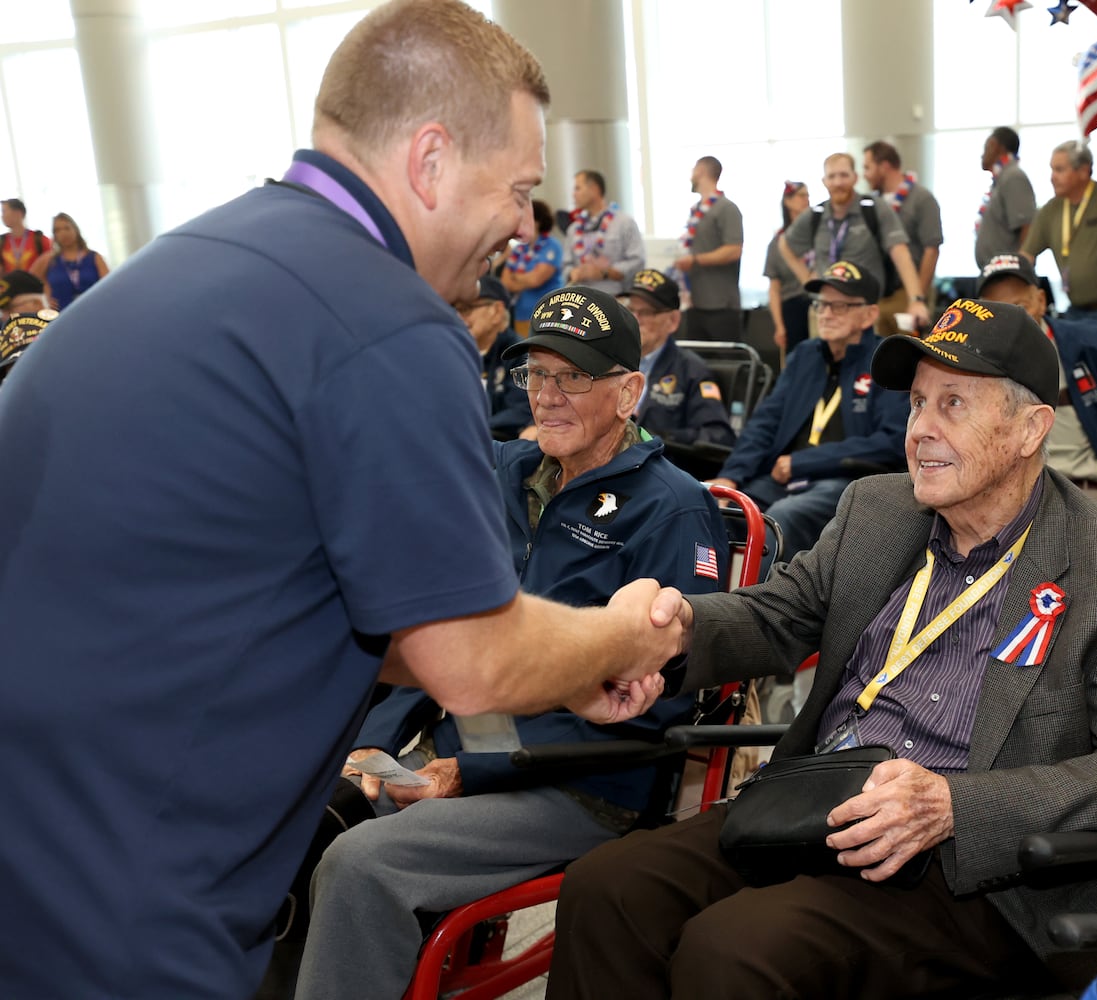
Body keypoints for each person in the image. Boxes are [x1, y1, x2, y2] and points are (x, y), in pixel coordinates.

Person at [0, 5, 685, 997]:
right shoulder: (384, 324)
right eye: (520, 187)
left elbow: (338, 599)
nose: (527, 225)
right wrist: (618, 640)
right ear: (431, 159)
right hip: (123, 893)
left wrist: (558, 672)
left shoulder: (186, 265)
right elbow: (473, 660)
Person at [546, 297, 1097, 1000]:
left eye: (953, 405)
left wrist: (953, 804)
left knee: (734, 950)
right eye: (917, 404)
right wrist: (673, 636)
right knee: (606, 888)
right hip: (817, 804)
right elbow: (777, 615)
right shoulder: (878, 511)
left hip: (971, 870)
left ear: (1031, 429)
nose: (921, 431)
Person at [294, 287, 727, 1000]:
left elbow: (654, 707)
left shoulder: (674, 511)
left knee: (364, 865)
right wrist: (371, 744)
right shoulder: (503, 473)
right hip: (448, 743)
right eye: (536, 375)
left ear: (630, 392)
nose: (548, 397)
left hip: (578, 781)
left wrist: (469, 771)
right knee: (287, 820)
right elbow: (426, 625)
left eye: (573, 377)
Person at [707, 260, 909, 557]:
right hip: (783, 478)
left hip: (843, 482)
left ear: (869, 315)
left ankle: (761, 603)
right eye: (821, 304)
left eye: (838, 306)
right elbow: (765, 422)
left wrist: (803, 462)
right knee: (717, 509)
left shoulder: (887, 362)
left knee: (780, 519)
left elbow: (891, 442)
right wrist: (731, 477)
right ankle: (707, 600)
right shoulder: (805, 356)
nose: (825, 314)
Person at [977, 253, 1097, 507]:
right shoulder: (969, 363)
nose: (1010, 322)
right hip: (1004, 496)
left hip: (1087, 491)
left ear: (1041, 301)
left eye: (1020, 307)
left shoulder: (1093, 347)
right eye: (995, 311)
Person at [779, 153, 930, 329]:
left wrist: (916, 299)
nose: (838, 182)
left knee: (871, 356)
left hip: (865, 312)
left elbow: (900, 252)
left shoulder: (875, 208)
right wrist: (805, 278)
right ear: (824, 181)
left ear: (855, 178)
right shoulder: (816, 215)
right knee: (823, 356)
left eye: (844, 175)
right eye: (832, 176)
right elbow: (785, 244)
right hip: (825, 312)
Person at [623, 267, 735, 448]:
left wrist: (655, 437)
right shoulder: (611, 362)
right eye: (630, 310)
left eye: (646, 312)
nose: (635, 319)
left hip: (661, 466)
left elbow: (717, 435)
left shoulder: (692, 371)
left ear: (673, 321)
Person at [1022, 139, 1097, 335]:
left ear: (1083, 171)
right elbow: (1026, 257)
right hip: (1073, 311)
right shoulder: (1050, 210)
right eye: (1052, 170)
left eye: (1059, 170)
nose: (1052, 177)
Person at [863, 139, 944, 335]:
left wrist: (917, 297)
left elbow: (931, 250)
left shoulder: (922, 198)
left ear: (884, 166)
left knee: (907, 356)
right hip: (880, 296)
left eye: (867, 167)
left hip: (907, 293)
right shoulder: (872, 203)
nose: (864, 174)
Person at [672, 155, 744, 342]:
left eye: (693, 170)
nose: (691, 176)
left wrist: (695, 260)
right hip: (696, 303)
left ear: (701, 171)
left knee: (725, 362)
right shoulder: (696, 210)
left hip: (720, 305)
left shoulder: (726, 208)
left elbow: (733, 249)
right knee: (699, 363)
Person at [458, 273, 531, 440]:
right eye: (456, 310)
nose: (459, 318)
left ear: (497, 311)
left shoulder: (520, 354)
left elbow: (522, 410)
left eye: (466, 309)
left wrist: (471, 428)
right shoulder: (457, 353)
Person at [563, 169, 645, 297]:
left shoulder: (624, 223)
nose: (573, 194)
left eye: (577, 188)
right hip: (582, 301)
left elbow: (637, 261)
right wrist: (572, 273)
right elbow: (565, 265)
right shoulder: (573, 229)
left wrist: (605, 273)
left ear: (595, 189)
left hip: (617, 298)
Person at [975, 126, 1037, 269]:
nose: (982, 155)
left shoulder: (1013, 177)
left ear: (996, 146)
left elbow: (1028, 227)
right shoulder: (1001, 179)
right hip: (994, 272)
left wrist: (1021, 271)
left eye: (986, 148)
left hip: (1008, 274)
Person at [500, 197, 563, 335]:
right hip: (521, 314)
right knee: (524, 355)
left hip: (549, 314)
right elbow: (505, 283)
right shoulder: (518, 249)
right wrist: (525, 279)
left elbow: (536, 280)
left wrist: (515, 277)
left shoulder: (552, 245)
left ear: (538, 221)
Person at [765, 180, 814, 355]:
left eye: (808, 195)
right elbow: (774, 289)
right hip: (793, 306)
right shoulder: (778, 242)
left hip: (819, 304)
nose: (806, 200)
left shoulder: (819, 236)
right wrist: (779, 326)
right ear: (788, 201)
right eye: (801, 195)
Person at [36, 211, 109, 310]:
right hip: (61, 315)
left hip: (94, 311)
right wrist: (44, 300)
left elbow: (109, 287)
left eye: (67, 228)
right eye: (57, 230)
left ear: (75, 230)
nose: (63, 233)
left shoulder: (95, 257)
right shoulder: (49, 260)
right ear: (54, 235)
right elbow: (30, 281)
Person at [1, 197, 50, 273]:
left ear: (18, 213)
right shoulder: (2, 242)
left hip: (35, 284)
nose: (2, 216)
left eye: (4, 211)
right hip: (8, 284)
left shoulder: (39, 239)